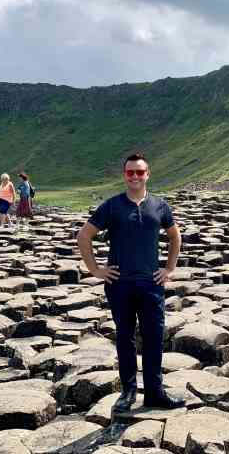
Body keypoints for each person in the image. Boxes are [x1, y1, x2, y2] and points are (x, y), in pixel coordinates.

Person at [76, 153, 184, 411]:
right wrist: (95, 270)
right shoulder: (112, 206)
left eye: (139, 172)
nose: (135, 176)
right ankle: (128, 392)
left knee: (154, 338)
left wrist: (169, 268)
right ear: (124, 175)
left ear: (148, 174)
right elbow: (84, 235)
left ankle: (155, 393)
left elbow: (175, 235)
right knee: (124, 337)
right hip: (120, 285)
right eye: (130, 172)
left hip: (151, 285)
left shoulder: (160, 205)